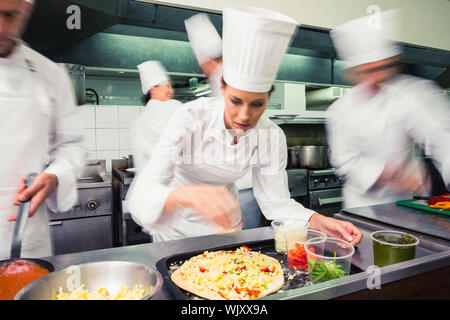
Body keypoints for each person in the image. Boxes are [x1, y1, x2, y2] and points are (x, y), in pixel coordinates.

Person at [127, 6, 362, 245]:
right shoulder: (189, 118)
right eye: (236, 101)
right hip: (175, 234)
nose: (245, 116)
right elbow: (142, 198)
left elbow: (277, 203)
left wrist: (318, 220)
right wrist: (189, 195)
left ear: (268, 99)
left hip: (225, 231)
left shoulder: (270, 136)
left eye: (257, 104)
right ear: (223, 89)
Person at [326, 9, 450, 209]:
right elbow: (345, 162)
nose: (376, 78)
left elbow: (443, 138)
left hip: (410, 204)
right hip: (362, 207)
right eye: (367, 71)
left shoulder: (414, 93)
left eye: (382, 68)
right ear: (351, 73)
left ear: (393, 64)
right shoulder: (339, 110)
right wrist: (388, 174)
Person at [0, 0, 86, 259]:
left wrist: (57, 174)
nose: (1, 25)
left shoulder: (49, 74)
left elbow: (73, 144)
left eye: (10, 15)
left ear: (26, 12)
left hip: (24, 233)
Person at [185, 12, 263, 229]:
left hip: (238, 185)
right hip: (239, 184)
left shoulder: (225, 83)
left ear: (205, 60)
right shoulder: (232, 77)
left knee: (239, 246)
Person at [132, 61, 182, 170]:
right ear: (153, 89)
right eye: (167, 86)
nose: (171, 91)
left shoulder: (140, 121)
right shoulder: (172, 106)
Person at [184, 13, 223, 97]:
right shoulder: (224, 76)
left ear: (208, 60)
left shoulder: (220, 81)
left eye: (202, 66)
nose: (204, 73)